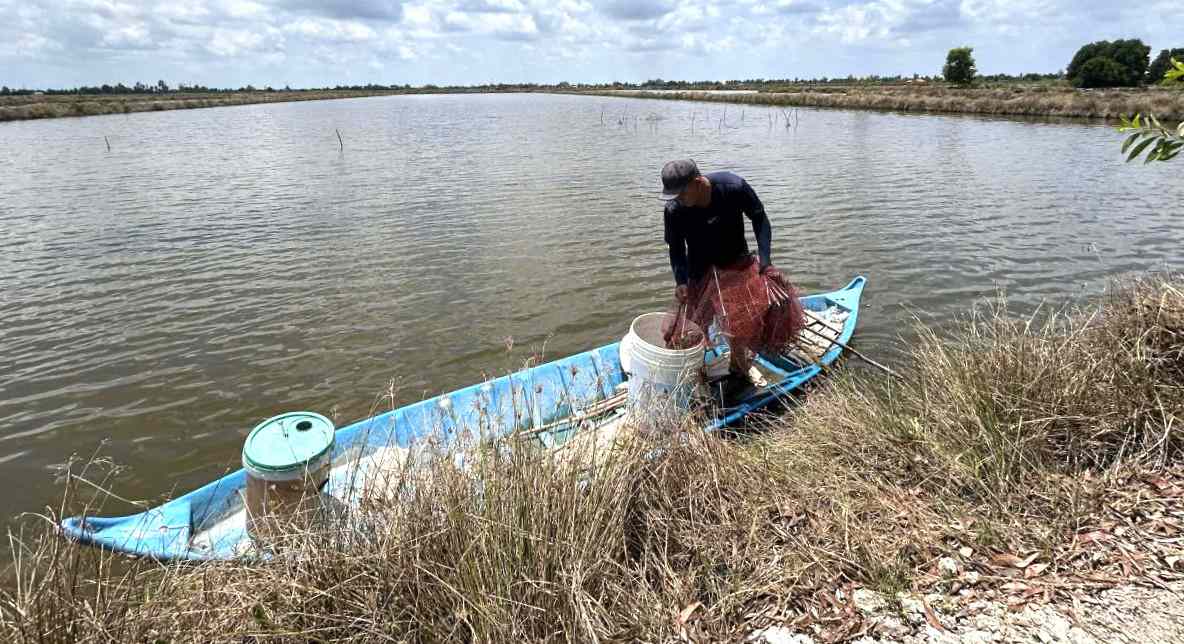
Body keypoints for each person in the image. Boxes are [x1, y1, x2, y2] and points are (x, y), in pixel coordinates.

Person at [659, 159, 796, 378]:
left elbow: (759, 218)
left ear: (697, 182)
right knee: (694, 325)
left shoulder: (733, 187)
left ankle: (738, 367)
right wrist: (681, 281)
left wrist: (766, 262)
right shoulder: (674, 210)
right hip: (699, 268)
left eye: (681, 193)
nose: (677, 200)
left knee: (738, 322)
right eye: (673, 195)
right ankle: (697, 372)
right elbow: (676, 249)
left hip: (735, 263)